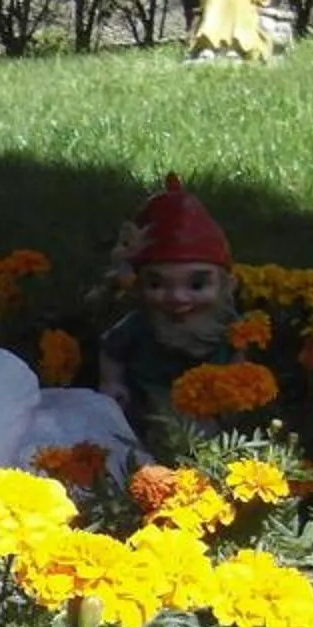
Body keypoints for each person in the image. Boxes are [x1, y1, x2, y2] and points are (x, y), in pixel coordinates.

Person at [95, 173, 240, 454]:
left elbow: (239, 352)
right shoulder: (141, 324)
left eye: (197, 285)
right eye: (157, 284)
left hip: (211, 407)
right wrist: (111, 382)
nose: (177, 297)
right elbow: (111, 348)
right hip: (150, 403)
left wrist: (236, 385)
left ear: (226, 285)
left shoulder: (227, 326)